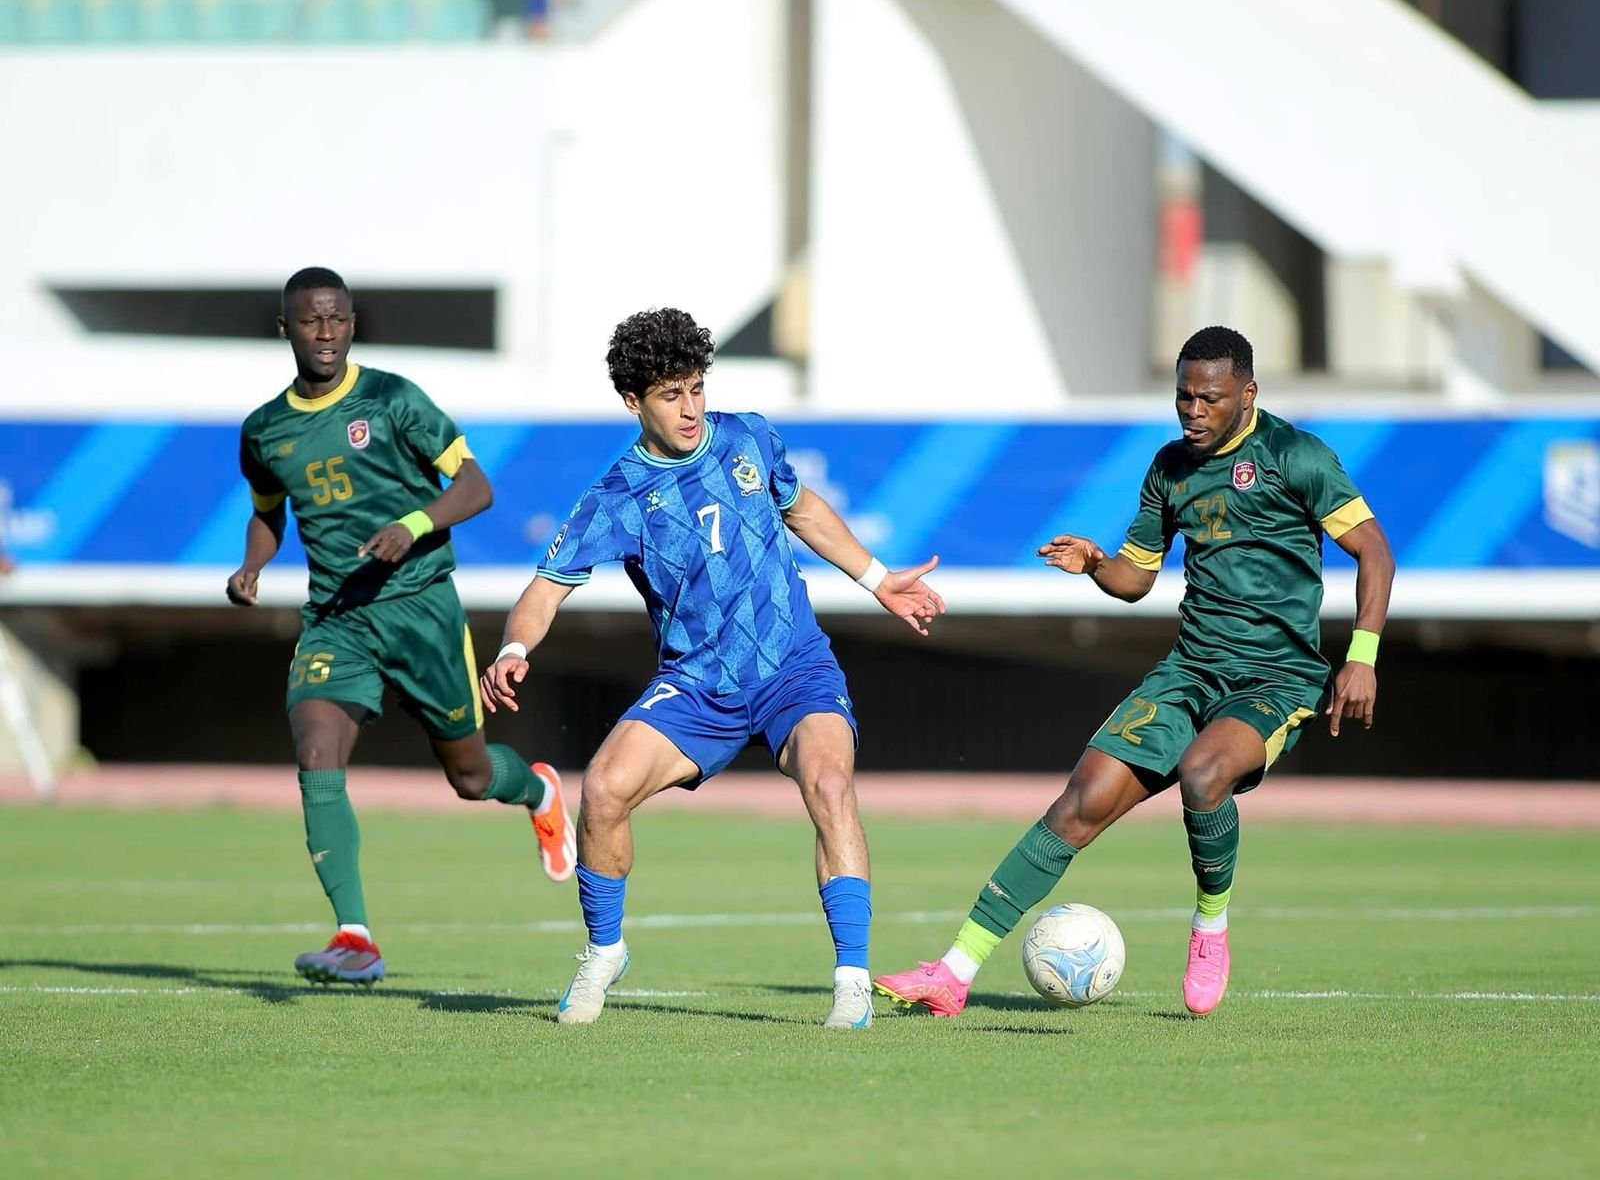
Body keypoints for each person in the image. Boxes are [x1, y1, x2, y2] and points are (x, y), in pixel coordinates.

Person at [876, 325, 1396, 1018]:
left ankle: (1211, 925)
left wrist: (1360, 657)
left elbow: (1376, 553)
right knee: (1080, 801)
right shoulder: (1169, 467)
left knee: (1205, 775)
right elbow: (1136, 580)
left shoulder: (1296, 456)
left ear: (1248, 394)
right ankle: (954, 971)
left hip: (1276, 678)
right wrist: (1095, 563)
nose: (1193, 411)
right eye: (1184, 396)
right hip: (1191, 670)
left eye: (1210, 398)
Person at [481, 306, 945, 1028]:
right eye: (672, 394)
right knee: (602, 790)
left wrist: (878, 579)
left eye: (697, 387)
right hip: (698, 686)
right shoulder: (617, 496)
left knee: (830, 781)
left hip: (794, 667)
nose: (692, 407)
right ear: (634, 402)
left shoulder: (748, 436)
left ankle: (852, 979)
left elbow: (804, 510)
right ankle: (605, 951)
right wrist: (515, 649)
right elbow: (544, 590)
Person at [229, 266, 575, 987]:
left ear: (352, 324)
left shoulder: (392, 399)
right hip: (337, 617)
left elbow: (476, 487)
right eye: (311, 320)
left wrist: (411, 525)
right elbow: (268, 515)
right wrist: (252, 568)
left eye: (338, 319)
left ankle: (538, 791)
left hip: (420, 608)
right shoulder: (264, 431)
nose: (326, 333)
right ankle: (356, 937)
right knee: (316, 749)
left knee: (472, 777)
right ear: (284, 328)